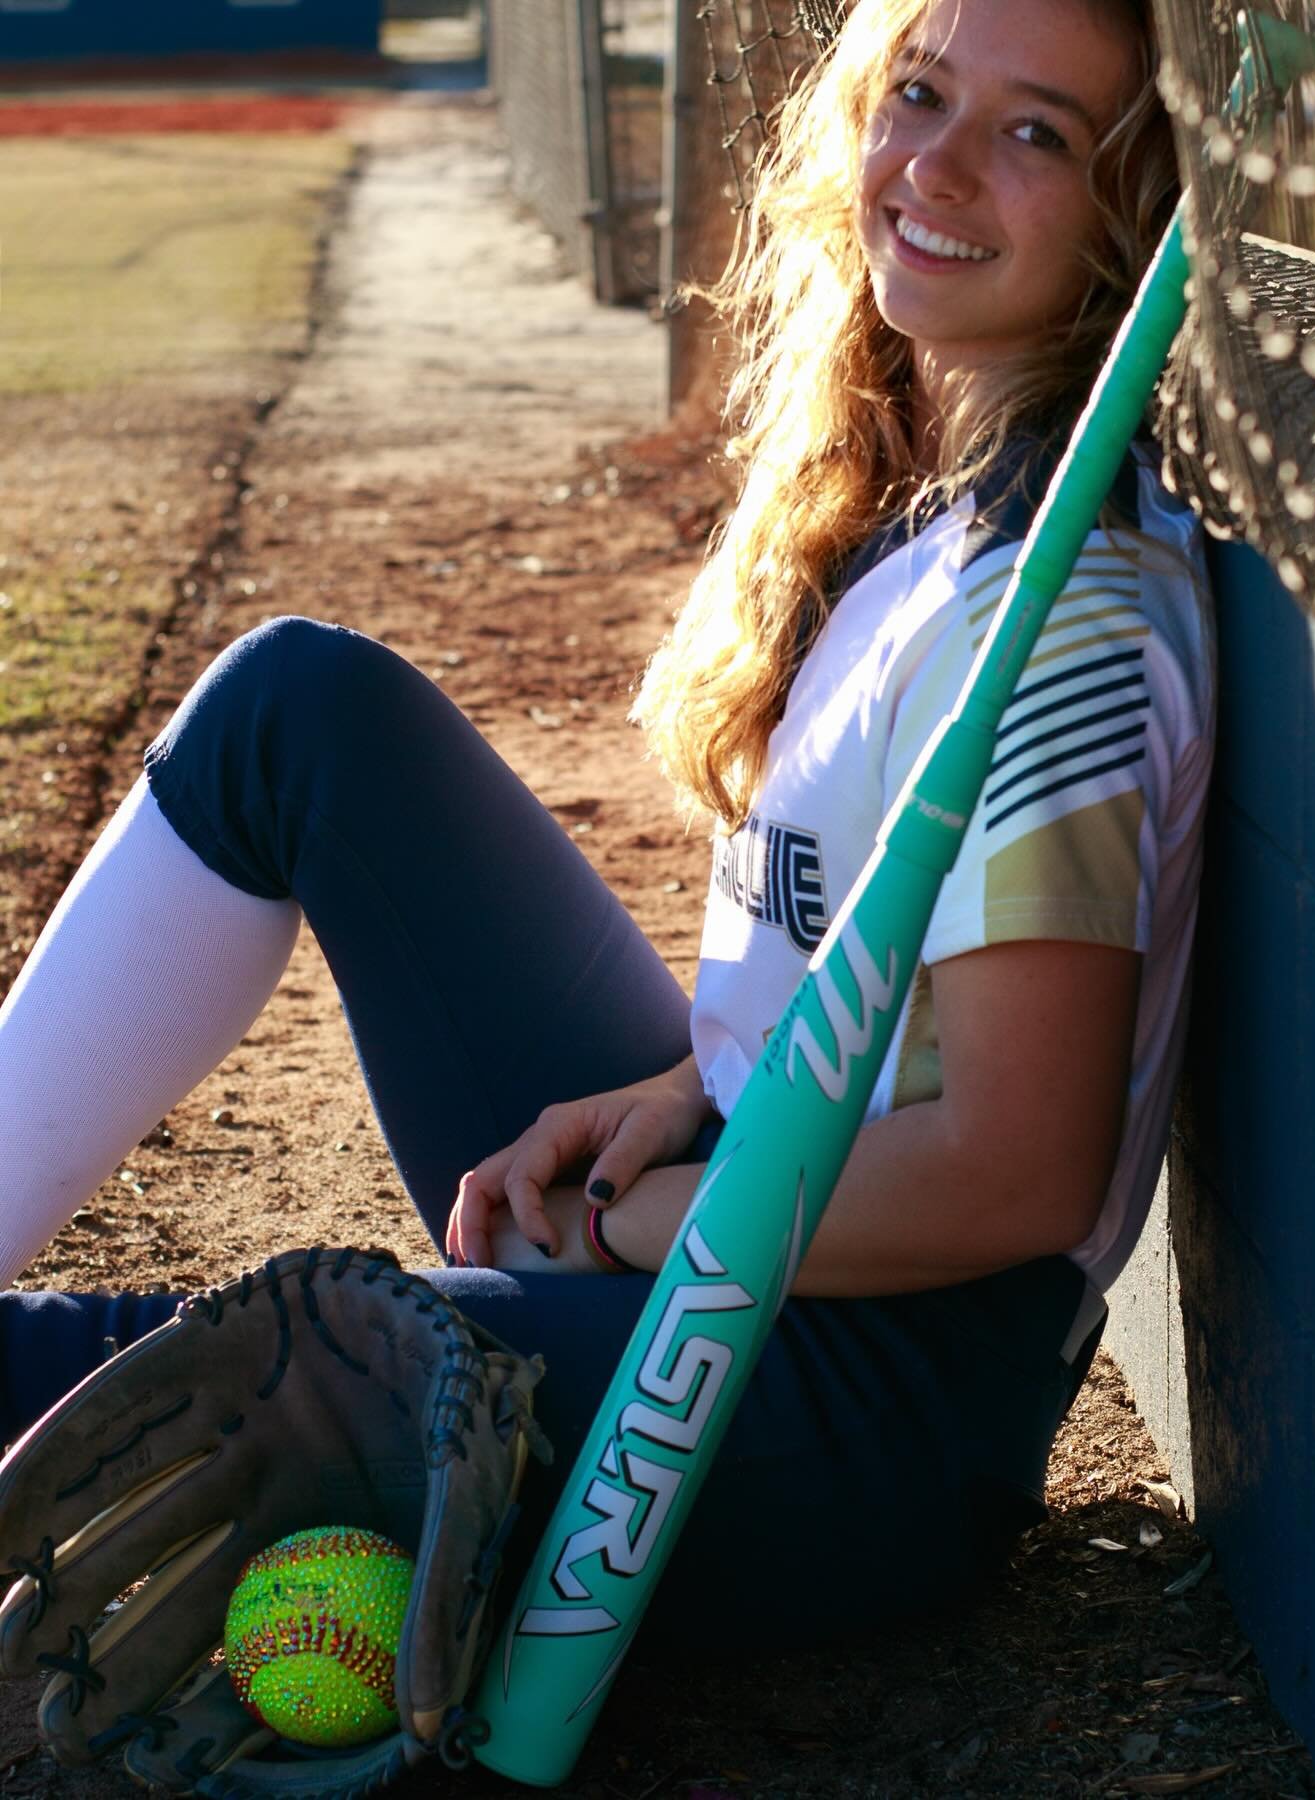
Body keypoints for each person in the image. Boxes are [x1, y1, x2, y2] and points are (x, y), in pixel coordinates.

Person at [0, 0, 1210, 1646]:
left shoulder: (1070, 614)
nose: (934, 162)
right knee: (306, 711)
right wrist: (677, 1100)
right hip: (740, 1209)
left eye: (1035, 134)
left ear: (1128, 216)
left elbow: (1014, 1175)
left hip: (860, 1407)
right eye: (918, 94)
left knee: (161, 1371)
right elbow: (851, 993)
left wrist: (645, 1223)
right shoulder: (932, 500)